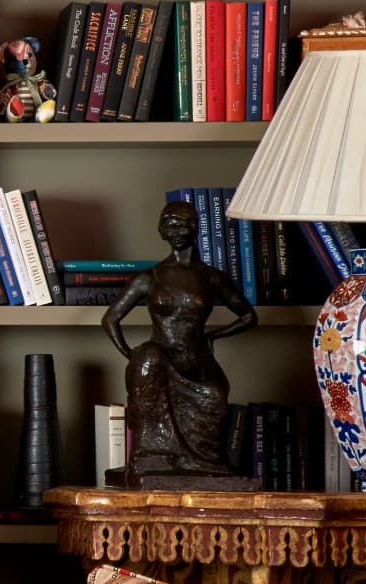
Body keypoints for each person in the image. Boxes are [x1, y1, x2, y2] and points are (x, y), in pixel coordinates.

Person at [101, 198, 256, 483]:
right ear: (161, 230)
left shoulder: (210, 277)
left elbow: (248, 316)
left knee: (215, 397)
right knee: (150, 364)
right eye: (168, 223)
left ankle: (200, 465)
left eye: (181, 222)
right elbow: (110, 319)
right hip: (158, 360)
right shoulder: (150, 277)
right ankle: (152, 458)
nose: (174, 229)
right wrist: (134, 357)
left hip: (198, 361)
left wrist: (214, 336)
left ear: (194, 228)